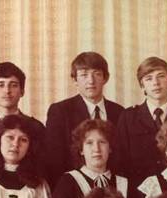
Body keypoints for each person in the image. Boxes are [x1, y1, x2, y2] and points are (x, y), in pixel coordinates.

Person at [45, 51, 125, 186]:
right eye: (84, 75)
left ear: (105, 78)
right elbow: (54, 160)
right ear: (75, 80)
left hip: (113, 188)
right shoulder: (60, 111)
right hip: (74, 188)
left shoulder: (119, 112)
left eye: (97, 74)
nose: (91, 81)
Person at [115, 56, 167, 187]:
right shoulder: (128, 118)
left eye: (161, 76)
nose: (156, 83)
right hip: (138, 190)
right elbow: (120, 161)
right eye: (148, 78)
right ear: (142, 86)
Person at [52, 118, 129, 198]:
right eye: (89, 143)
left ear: (110, 148)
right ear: (81, 149)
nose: (96, 149)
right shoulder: (68, 183)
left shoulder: (124, 184)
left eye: (102, 142)